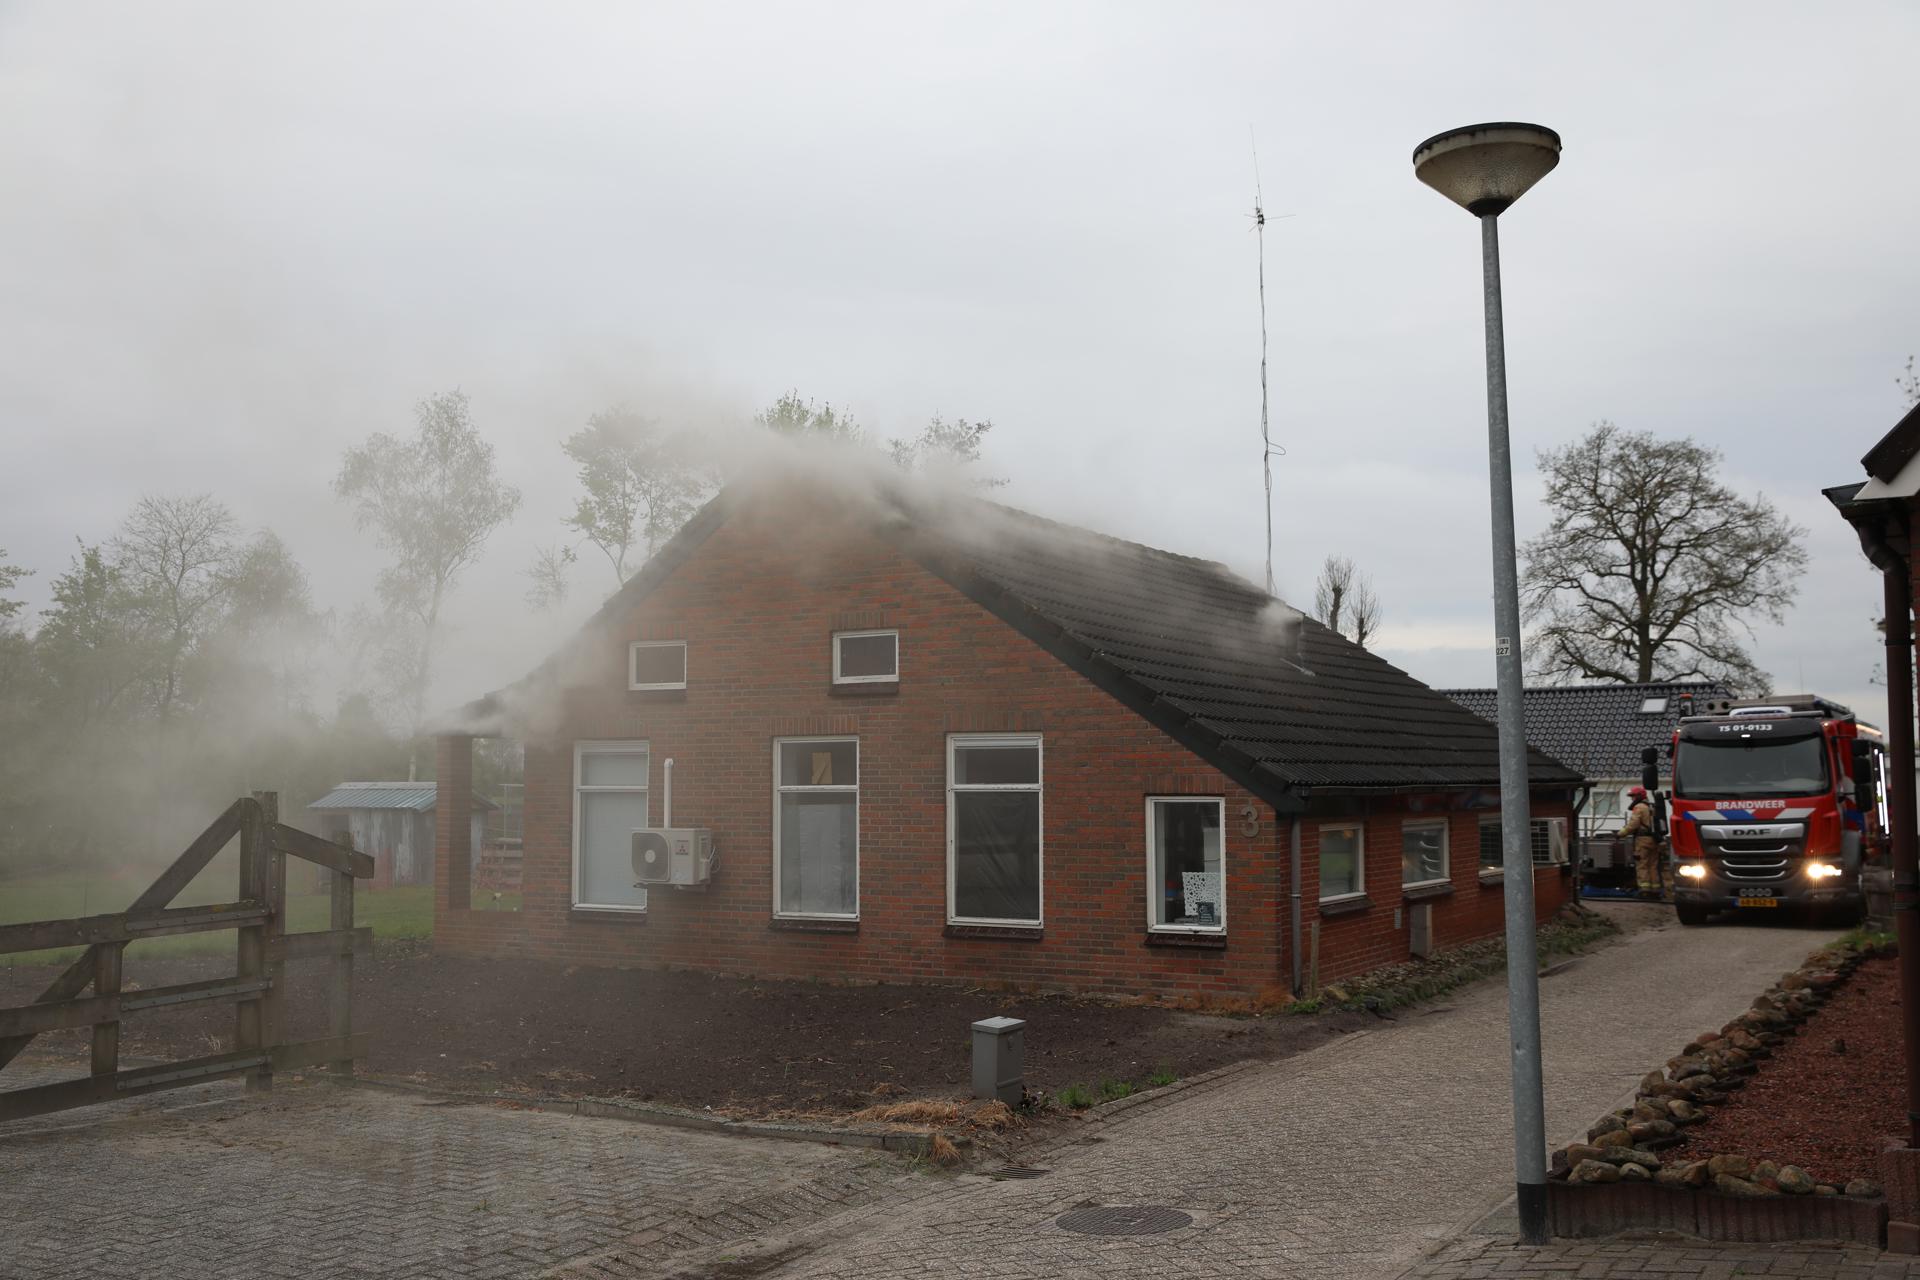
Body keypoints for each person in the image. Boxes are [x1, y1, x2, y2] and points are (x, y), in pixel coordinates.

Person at [1619, 786, 1664, 899]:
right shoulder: (1651, 806)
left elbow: (1633, 824)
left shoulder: (1639, 807)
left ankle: (1645, 891)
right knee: (1653, 865)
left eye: (1633, 796)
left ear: (1639, 796)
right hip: (1654, 840)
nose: (1632, 799)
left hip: (1642, 840)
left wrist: (1621, 833)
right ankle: (1655, 890)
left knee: (1642, 865)